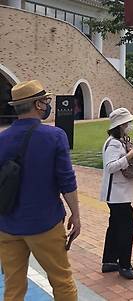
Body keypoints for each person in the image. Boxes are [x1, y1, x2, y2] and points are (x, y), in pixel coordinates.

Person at [0, 80, 79, 300]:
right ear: (38, 105)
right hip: (45, 224)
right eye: (45, 101)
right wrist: (77, 216)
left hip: (7, 225)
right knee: (62, 282)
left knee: (13, 287)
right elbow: (67, 182)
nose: (47, 104)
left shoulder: (2, 139)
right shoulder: (55, 136)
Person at [99, 107, 133, 279]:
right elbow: (110, 167)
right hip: (116, 195)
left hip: (118, 194)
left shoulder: (117, 141)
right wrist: (129, 157)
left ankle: (109, 261)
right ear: (121, 125)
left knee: (116, 226)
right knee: (127, 227)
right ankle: (125, 264)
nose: (130, 125)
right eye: (127, 123)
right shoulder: (114, 143)